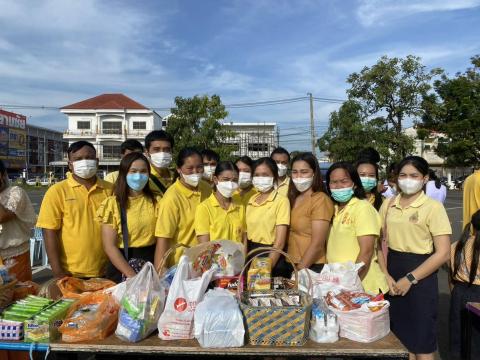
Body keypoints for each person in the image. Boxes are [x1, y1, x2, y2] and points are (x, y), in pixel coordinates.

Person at [378, 156, 451, 360]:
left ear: (425, 178)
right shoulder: (388, 204)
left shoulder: (432, 207)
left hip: (421, 276)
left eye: (414, 175)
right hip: (392, 273)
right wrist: (386, 275)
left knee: (422, 342)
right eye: (403, 175)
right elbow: (379, 244)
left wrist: (410, 279)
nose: (408, 180)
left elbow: (443, 252)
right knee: (401, 340)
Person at [36, 141, 113, 278]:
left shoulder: (110, 189)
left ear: (97, 161)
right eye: (78, 159)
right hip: (70, 273)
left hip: (108, 270)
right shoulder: (57, 191)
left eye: (89, 158)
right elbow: (49, 232)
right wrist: (58, 272)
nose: (85, 162)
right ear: (70, 164)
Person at [325, 161, 388, 294]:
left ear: (354, 184)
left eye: (344, 181)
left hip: (361, 285)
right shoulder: (332, 208)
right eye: (333, 182)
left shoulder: (362, 208)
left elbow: (367, 251)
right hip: (338, 284)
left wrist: (350, 284)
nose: (338, 186)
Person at [97, 152, 160, 283]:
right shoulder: (113, 204)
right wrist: (133, 277)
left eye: (143, 171)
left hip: (152, 263)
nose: (138, 176)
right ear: (124, 173)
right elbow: (109, 246)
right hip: (123, 266)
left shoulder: (157, 201)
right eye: (133, 171)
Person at [154, 148, 211, 269]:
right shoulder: (172, 197)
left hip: (206, 262)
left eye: (199, 167)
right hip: (180, 265)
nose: (195, 172)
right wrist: (160, 272)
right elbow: (163, 238)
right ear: (179, 169)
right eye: (189, 168)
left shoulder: (207, 188)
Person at [287, 152, 333, 273]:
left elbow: (317, 243)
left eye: (304, 172)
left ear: (314, 173)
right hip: (292, 262)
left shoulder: (320, 199)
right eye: (295, 172)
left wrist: (299, 270)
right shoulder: (294, 197)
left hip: (311, 266)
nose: (298, 176)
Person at [245, 157, 290, 276]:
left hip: (271, 255)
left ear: (274, 177)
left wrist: (266, 269)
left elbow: (280, 242)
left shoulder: (281, 201)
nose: (260, 178)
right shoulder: (252, 199)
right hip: (251, 254)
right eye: (257, 175)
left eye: (265, 174)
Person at [449, 210, 480, 360]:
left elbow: (451, 277)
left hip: (459, 292)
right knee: (476, 340)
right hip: (477, 294)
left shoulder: (457, 244)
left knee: (458, 336)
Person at [0, 160, 36, 282]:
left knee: (19, 295)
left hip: (15, 257)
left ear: (2, 175)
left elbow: (2, 217)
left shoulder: (15, 192)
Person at [195, 161, 245, 244]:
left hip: (237, 256)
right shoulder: (204, 208)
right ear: (215, 179)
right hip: (214, 256)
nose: (230, 184)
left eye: (234, 180)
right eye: (226, 180)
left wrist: (242, 257)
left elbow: (243, 239)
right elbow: (204, 245)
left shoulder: (240, 206)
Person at [145, 130, 174, 196]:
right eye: (156, 149)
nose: (162, 153)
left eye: (167, 149)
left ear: (172, 152)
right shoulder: (144, 178)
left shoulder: (178, 177)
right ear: (147, 152)